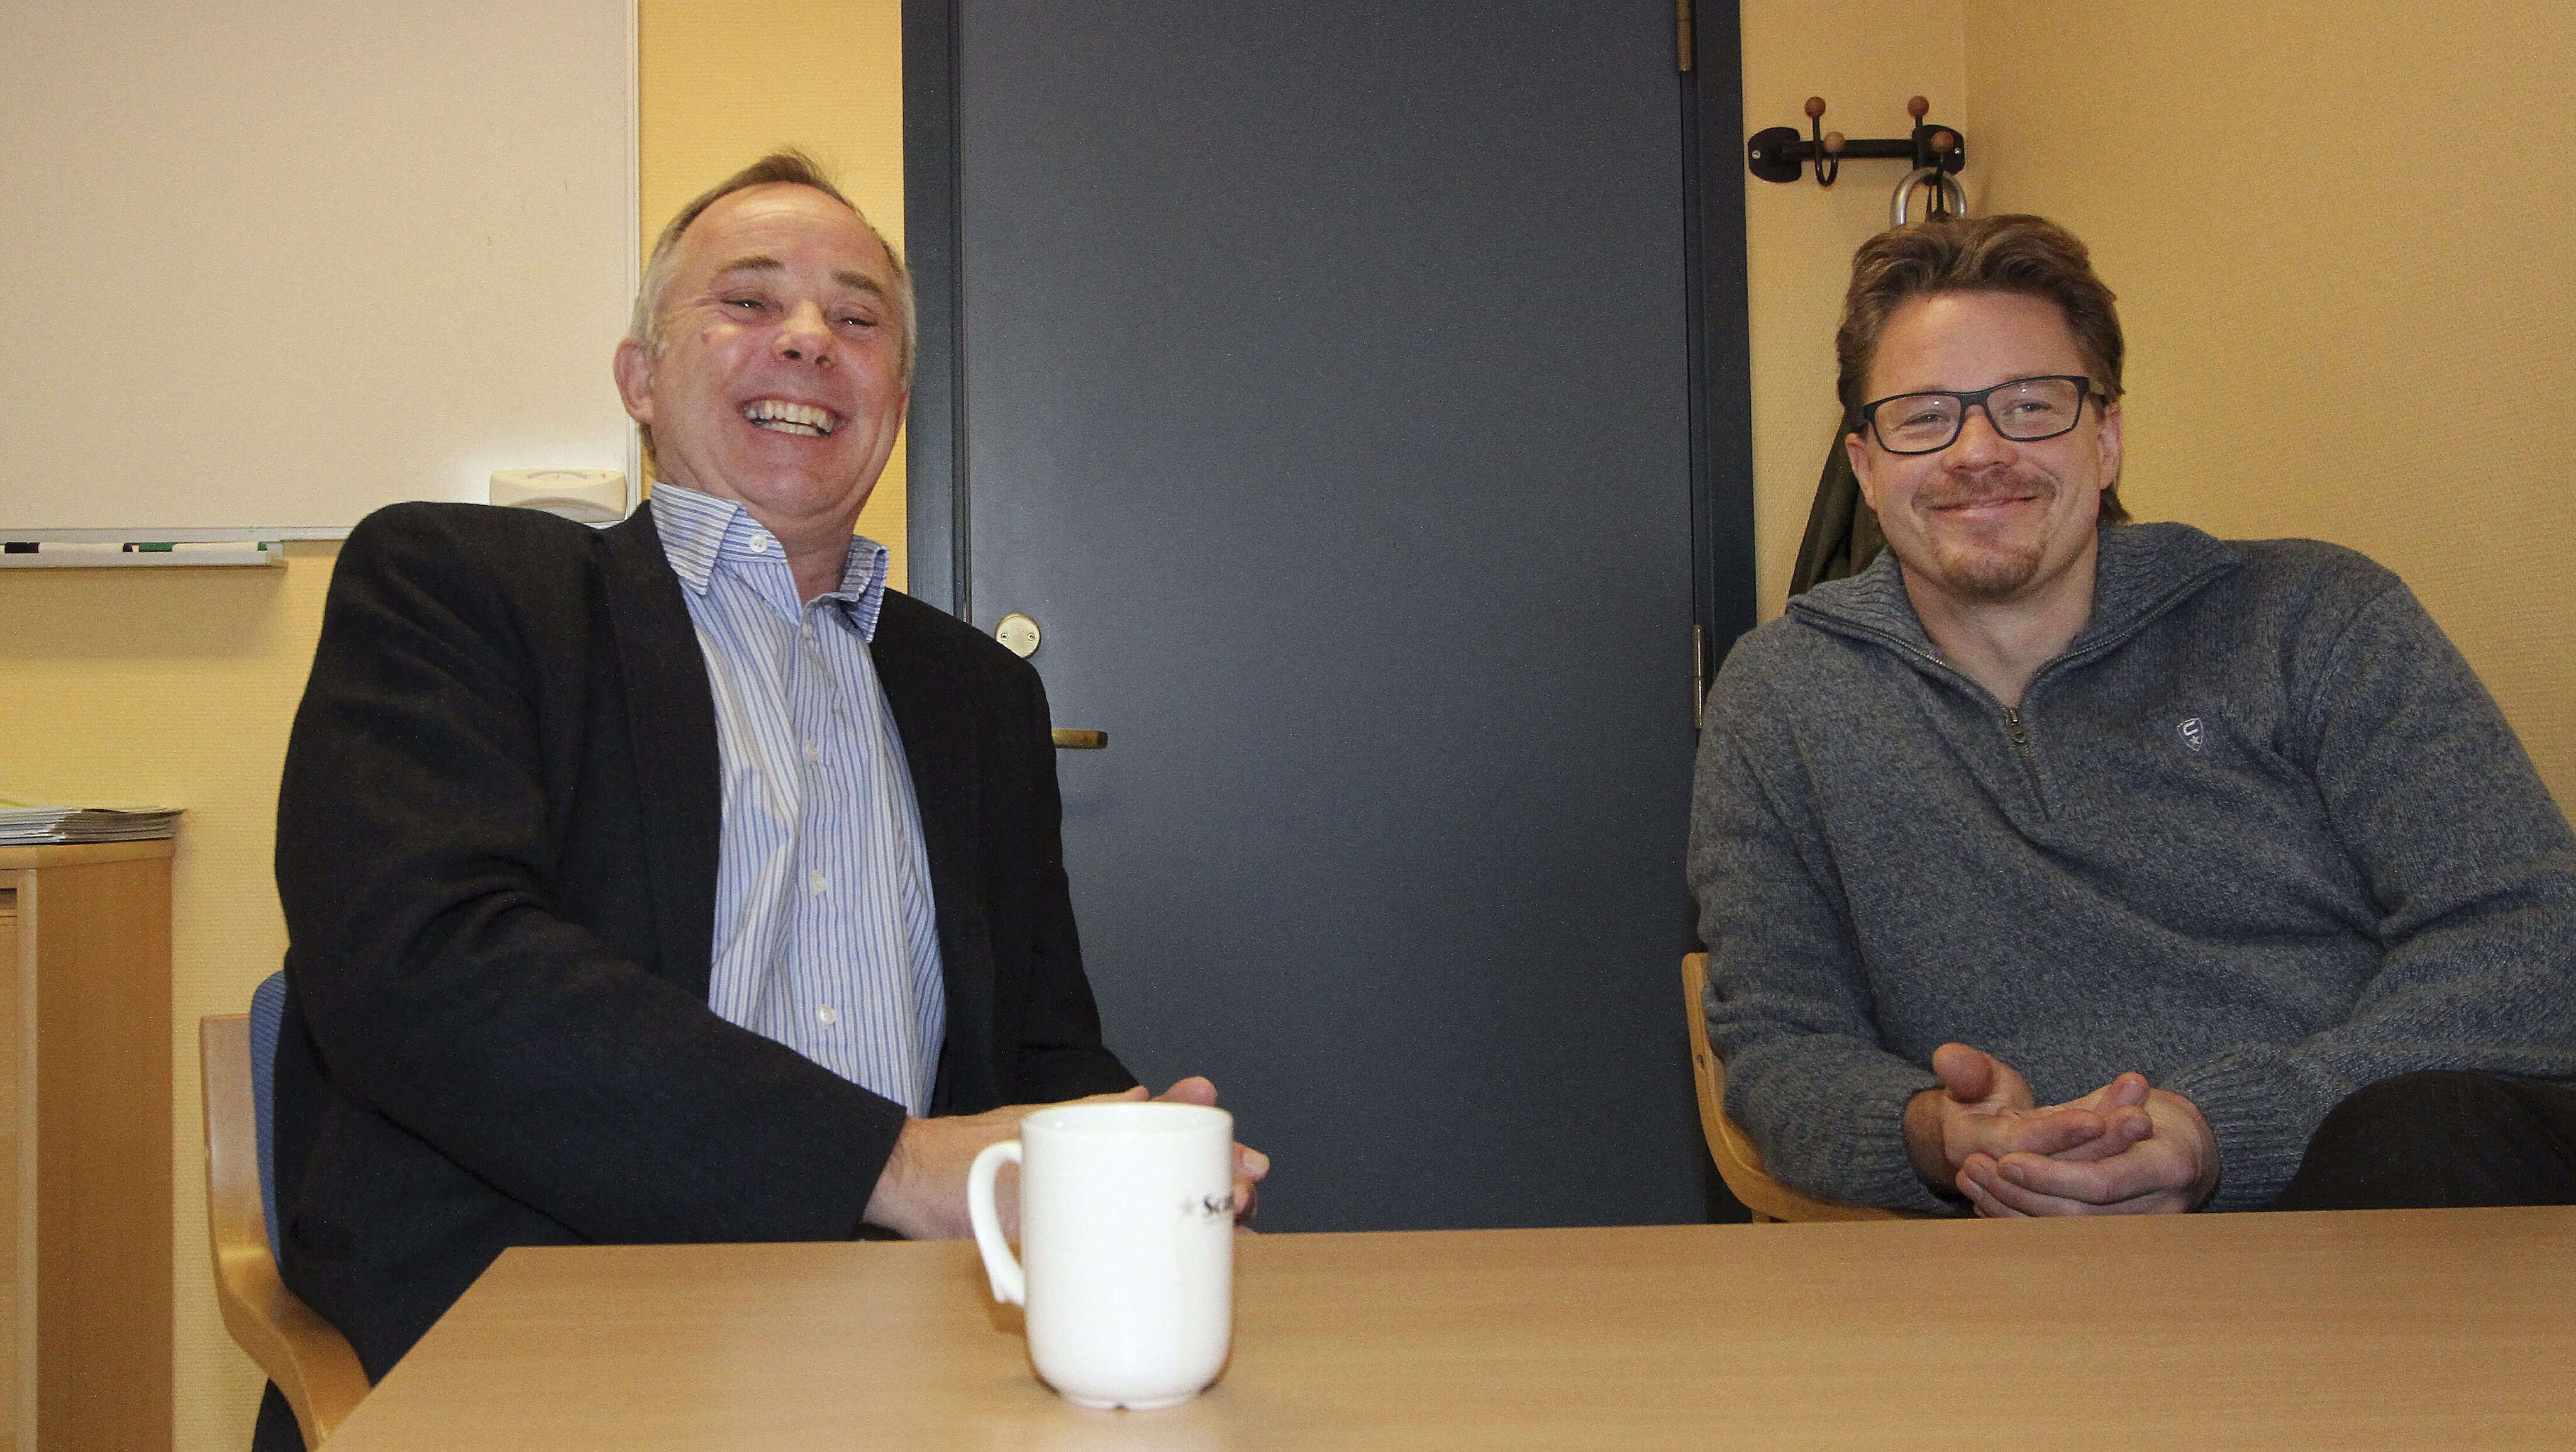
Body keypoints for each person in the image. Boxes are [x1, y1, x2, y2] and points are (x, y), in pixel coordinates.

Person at [264, 151, 1264, 1441]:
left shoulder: (979, 696)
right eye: (747, 301)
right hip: (556, 1337)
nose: (807, 339)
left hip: (924, 1337)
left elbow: (1038, 1050)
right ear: (639, 378)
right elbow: (423, 967)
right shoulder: (459, 587)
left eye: (857, 319)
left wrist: (1129, 1162)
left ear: (894, 403)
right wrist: (898, 1166)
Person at [1688, 213, 2576, 1220]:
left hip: (2359, 1201)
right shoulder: (1783, 699)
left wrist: (2219, 1132)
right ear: (1865, 466)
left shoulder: (2316, 619)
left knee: (2434, 1133)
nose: (1979, 451)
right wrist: (1940, 1137)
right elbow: (1782, 1050)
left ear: (2105, 441)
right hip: (2010, 1246)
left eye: (2032, 406)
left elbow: (2535, 939)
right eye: (1925, 417)